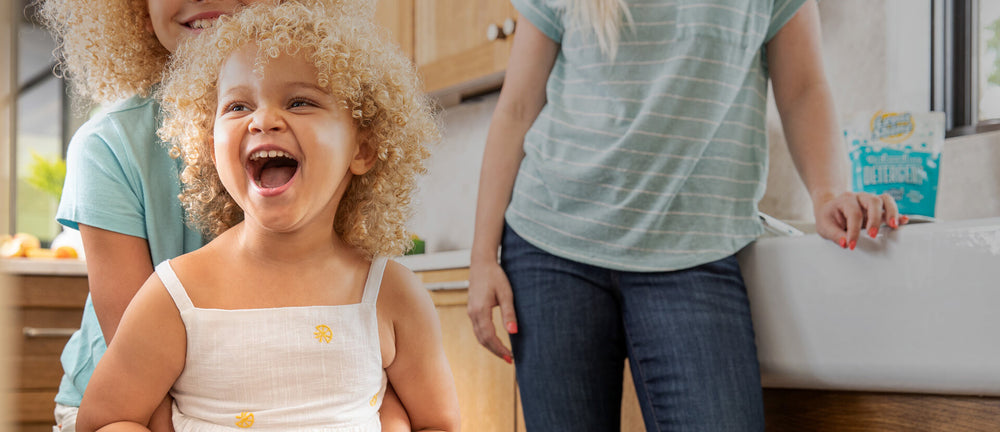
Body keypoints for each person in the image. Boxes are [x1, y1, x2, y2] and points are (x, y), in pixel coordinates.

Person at [467, 0, 907, 430]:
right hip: (551, 243)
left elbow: (804, 88)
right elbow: (517, 107)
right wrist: (483, 256)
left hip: (694, 250)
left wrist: (828, 191)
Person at [75, 1, 459, 430]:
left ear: (363, 149)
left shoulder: (391, 294)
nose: (264, 120)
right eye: (237, 107)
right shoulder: (175, 295)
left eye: (299, 102)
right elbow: (105, 420)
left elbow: (436, 422)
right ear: (209, 147)